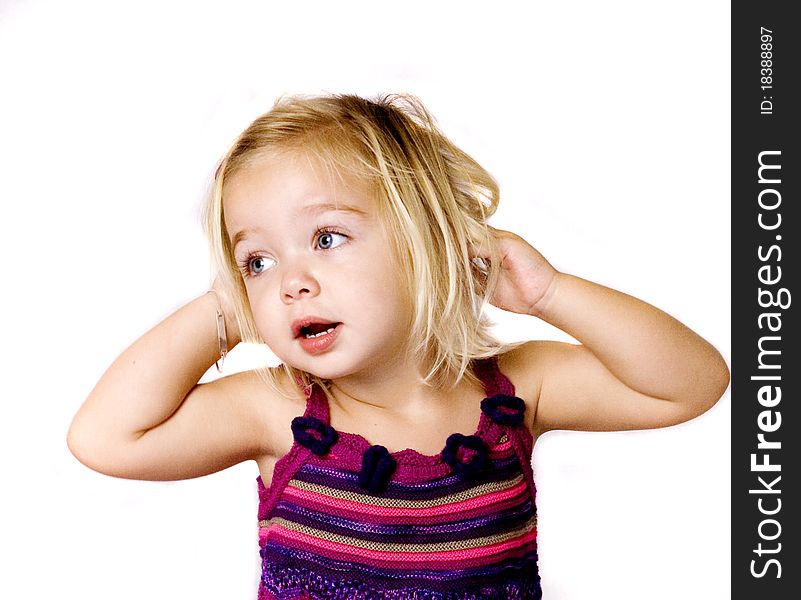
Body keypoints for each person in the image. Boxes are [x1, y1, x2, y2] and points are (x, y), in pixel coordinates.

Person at [67, 93, 729, 599]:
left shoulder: (516, 391)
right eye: (257, 261)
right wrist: (230, 308)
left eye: (326, 238)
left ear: (425, 239)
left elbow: (687, 384)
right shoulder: (276, 412)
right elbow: (106, 439)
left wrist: (549, 293)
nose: (292, 282)